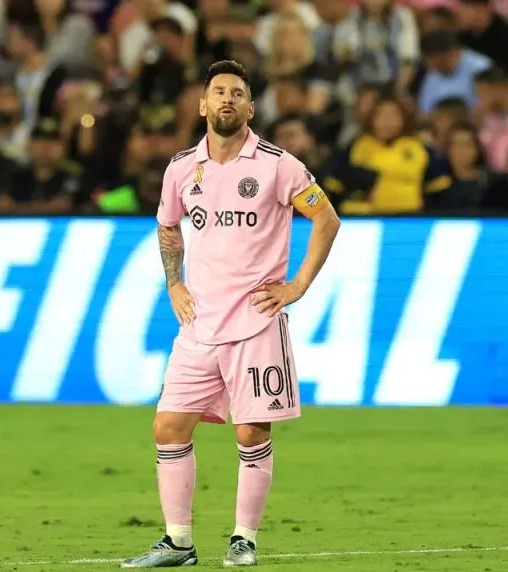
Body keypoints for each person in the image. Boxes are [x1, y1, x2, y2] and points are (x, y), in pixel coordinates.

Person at [121, 60, 341, 569]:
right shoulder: (181, 167)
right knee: (168, 427)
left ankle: (244, 539)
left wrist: (298, 285)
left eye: (236, 93)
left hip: (256, 321)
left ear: (250, 107)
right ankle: (178, 543)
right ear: (202, 105)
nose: (226, 99)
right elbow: (168, 227)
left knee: (251, 432)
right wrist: (174, 282)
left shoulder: (278, 164)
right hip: (198, 323)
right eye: (217, 92)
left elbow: (326, 218)